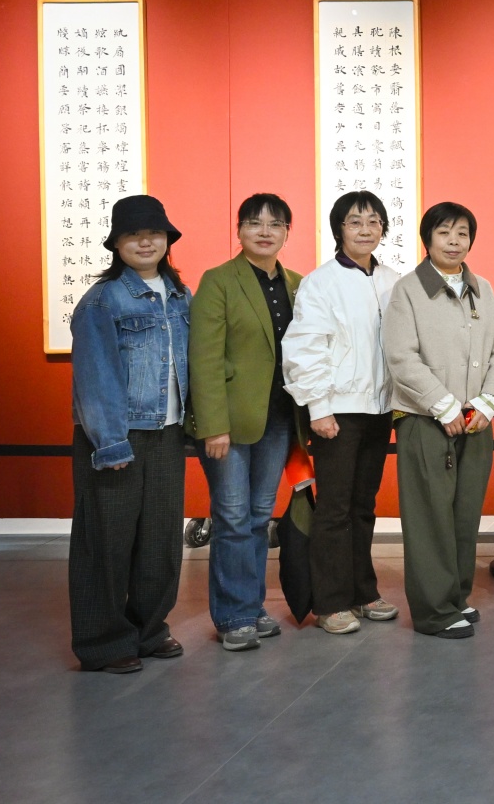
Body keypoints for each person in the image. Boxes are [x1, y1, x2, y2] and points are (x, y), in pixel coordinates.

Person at [68, 195, 190, 673]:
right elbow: (94, 377)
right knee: (107, 542)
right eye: (133, 234)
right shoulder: (102, 300)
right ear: (116, 244)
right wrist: (110, 441)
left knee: (161, 541)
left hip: (168, 434)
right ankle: (104, 642)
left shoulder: (179, 295)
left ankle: (149, 630)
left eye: (154, 233)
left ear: (167, 240)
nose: (145, 242)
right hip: (118, 437)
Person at [382, 202, 494, 638]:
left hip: (475, 421)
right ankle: (434, 612)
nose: (454, 241)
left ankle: (456, 596)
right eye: (444, 233)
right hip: (425, 419)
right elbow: (401, 356)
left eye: (462, 233)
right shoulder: (407, 290)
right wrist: (444, 405)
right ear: (427, 239)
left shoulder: (483, 288)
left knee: (464, 514)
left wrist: (488, 403)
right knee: (429, 517)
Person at [282, 191, 403, 635]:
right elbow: (304, 348)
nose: (365, 230)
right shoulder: (321, 282)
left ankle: (363, 592)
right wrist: (319, 407)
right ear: (339, 229)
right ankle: (330, 602)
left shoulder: (394, 281)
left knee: (363, 505)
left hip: (380, 409)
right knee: (333, 509)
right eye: (355, 222)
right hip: (337, 412)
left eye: (374, 222)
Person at [188, 193, 303, 652]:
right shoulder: (218, 281)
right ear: (239, 230)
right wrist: (213, 424)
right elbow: (204, 358)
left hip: (278, 418)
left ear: (287, 232)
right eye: (254, 223)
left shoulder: (297, 284)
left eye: (275, 224)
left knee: (258, 517)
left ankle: (251, 606)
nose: (265, 231)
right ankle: (233, 615)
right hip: (230, 423)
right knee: (232, 517)